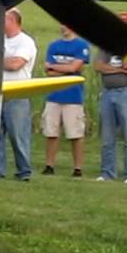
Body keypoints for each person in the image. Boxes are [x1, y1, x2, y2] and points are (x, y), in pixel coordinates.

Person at [95, 11, 127, 183]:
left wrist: (117, 68)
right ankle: (107, 172)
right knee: (107, 137)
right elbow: (98, 66)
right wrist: (122, 69)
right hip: (107, 92)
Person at [41, 25, 91, 177]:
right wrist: (66, 69)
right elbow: (49, 72)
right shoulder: (54, 45)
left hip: (73, 97)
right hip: (54, 95)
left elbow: (75, 67)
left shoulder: (82, 45)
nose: (64, 28)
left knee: (75, 133)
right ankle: (49, 165)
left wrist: (56, 67)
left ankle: (77, 168)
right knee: (51, 132)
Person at [0, 7, 37, 180]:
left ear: (12, 21)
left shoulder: (26, 42)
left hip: (17, 94)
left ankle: (24, 170)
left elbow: (16, 64)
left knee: (18, 134)